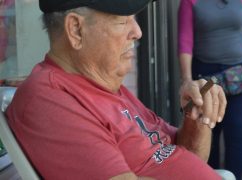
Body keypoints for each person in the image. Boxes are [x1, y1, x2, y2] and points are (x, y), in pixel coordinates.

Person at [5, 0, 230, 179]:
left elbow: (186, 157)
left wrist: (197, 113)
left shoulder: (106, 86)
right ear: (76, 29)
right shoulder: (50, 100)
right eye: (122, 21)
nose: (138, 31)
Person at [178, 0, 242, 178]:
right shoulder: (190, 1)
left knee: (236, 132)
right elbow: (185, 40)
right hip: (206, 77)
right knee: (207, 132)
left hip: (240, 74)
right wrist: (187, 79)